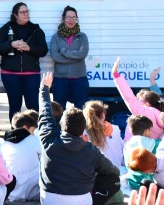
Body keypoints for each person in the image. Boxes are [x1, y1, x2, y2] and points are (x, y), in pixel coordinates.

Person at [38, 72, 119, 205]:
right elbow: (113, 171)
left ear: (62, 125)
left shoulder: (48, 140)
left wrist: (44, 88)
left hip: (50, 198)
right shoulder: (91, 150)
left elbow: (45, 112)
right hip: (81, 199)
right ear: (83, 129)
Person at [0, 2, 48, 122]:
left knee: (33, 105)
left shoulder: (36, 30)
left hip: (31, 74)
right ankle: (15, 133)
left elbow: (43, 50)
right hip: (10, 74)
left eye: (27, 11)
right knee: (15, 105)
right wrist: (11, 44)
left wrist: (29, 48)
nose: (26, 14)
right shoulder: (6, 28)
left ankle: (36, 133)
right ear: (15, 15)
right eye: (23, 12)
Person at [112, 57, 164, 141]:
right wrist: (152, 80)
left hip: (136, 151)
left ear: (147, 104)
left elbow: (128, 96)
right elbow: (158, 98)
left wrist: (116, 75)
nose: (137, 101)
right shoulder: (160, 114)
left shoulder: (144, 112)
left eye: (139, 100)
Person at [50, 5, 89, 109]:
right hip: (60, 79)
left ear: (77, 19)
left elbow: (83, 54)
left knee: (81, 110)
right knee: (58, 110)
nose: (71, 20)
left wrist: (64, 51)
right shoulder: (56, 37)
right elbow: (55, 56)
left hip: (79, 79)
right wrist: (75, 56)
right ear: (63, 19)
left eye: (73, 17)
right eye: (68, 17)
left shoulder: (82, 36)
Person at [1, 112, 41, 202]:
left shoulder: (4, 144)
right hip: (35, 193)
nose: (33, 133)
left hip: (12, 194)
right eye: (33, 130)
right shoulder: (35, 141)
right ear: (25, 127)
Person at [82, 100, 124, 168]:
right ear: (103, 115)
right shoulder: (115, 129)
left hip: (95, 174)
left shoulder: (84, 133)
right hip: (118, 171)